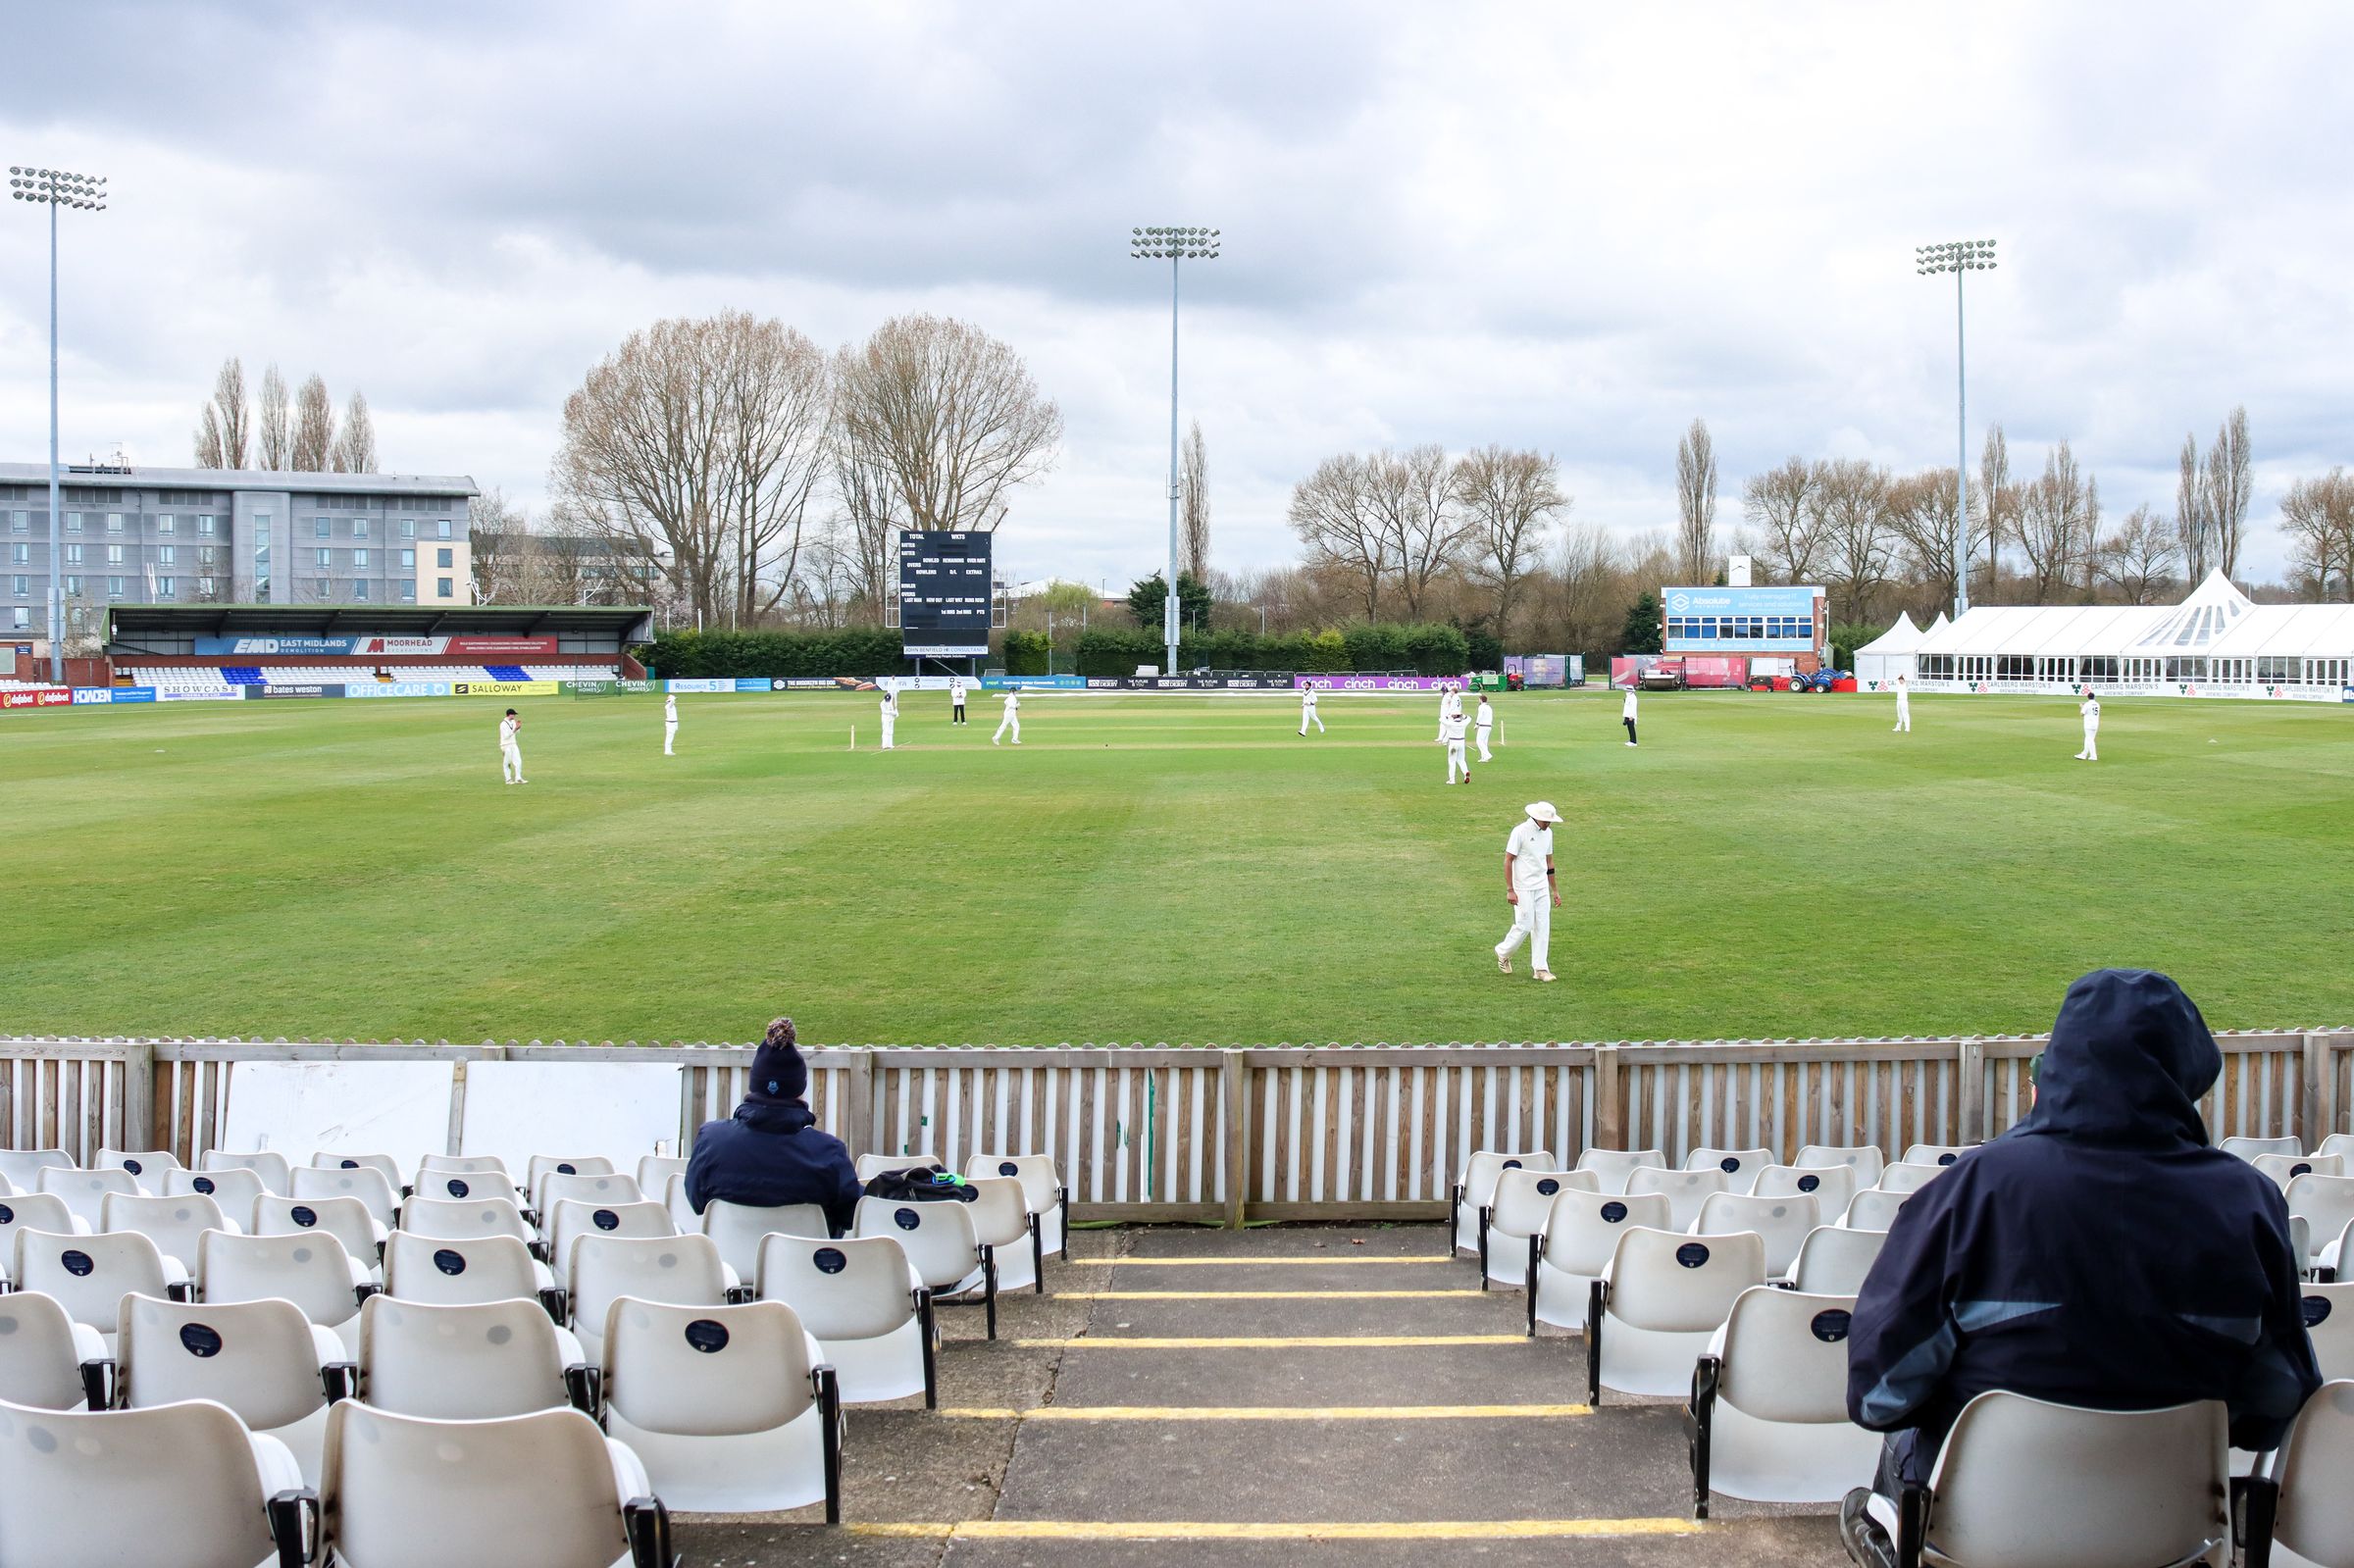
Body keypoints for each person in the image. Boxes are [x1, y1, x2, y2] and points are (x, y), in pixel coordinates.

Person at [1838, 969, 2320, 1568]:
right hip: (2170, 1536)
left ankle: (1886, 1538)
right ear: (2188, 1076)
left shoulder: (1968, 1193)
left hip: (1982, 1536)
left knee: (1900, 1444)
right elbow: (2279, 1401)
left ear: (2058, 1065)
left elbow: (1878, 1395)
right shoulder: (2251, 1203)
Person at [683, 1017, 863, 1235]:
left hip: (728, 1265)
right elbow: (851, 1216)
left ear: (753, 1086)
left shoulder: (711, 1140)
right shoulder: (827, 1152)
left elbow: (695, 1201)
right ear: (799, 1090)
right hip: (804, 1266)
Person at [1494, 801, 1561, 983]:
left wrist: (1554, 890)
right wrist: (1510, 889)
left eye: (1550, 821)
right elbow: (1508, 860)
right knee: (1524, 924)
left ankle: (1540, 968)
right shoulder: (1520, 832)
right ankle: (1502, 952)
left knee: (1542, 925)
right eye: (1546, 821)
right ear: (1536, 818)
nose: (1548, 824)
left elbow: (1549, 863)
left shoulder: (1548, 834)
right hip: (1522, 887)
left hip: (1541, 887)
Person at [1440, 703, 1471, 784]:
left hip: (1453, 744)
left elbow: (1441, 719)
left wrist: (1448, 716)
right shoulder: (1463, 723)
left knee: (1452, 761)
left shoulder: (1450, 723)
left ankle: (1452, 779)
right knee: (1461, 760)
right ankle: (1466, 772)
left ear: (1453, 716)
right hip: (1461, 743)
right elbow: (1469, 718)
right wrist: (1462, 715)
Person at [498, 707, 526, 784]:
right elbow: (506, 736)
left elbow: (517, 733)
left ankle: (518, 778)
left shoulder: (513, 721)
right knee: (507, 762)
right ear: (509, 715)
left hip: (513, 744)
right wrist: (514, 730)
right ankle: (508, 779)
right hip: (505, 745)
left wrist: (518, 727)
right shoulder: (503, 724)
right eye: (513, 715)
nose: (514, 716)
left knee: (518, 761)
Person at [2075, 687, 2100, 761]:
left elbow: (2082, 714)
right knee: (2088, 739)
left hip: (2089, 724)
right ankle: (2084, 754)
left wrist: (2081, 707)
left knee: (2090, 740)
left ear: (2088, 697)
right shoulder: (2097, 704)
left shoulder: (2087, 704)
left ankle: (2093, 756)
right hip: (2095, 724)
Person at [1474, 692, 1496, 762]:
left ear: (1481, 700)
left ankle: (1487, 754)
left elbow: (1479, 716)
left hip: (1483, 726)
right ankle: (1484, 758)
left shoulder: (1481, 707)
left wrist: (1476, 724)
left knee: (1479, 741)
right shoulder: (1489, 707)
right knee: (1484, 742)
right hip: (1489, 726)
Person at [879, 683, 898, 750]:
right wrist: (892, 712)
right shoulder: (882, 703)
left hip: (890, 718)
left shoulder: (890, 702)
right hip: (885, 717)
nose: (888, 701)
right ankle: (884, 745)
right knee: (885, 731)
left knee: (890, 731)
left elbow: (892, 709)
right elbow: (884, 711)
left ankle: (890, 744)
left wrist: (895, 714)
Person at [663, 692, 679, 756]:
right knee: (669, 737)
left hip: (674, 723)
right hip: (670, 723)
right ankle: (667, 751)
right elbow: (672, 702)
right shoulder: (669, 705)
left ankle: (669, 750)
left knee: (671, 737)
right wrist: (672, 699)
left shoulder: (671, 705)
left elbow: (672, 702)